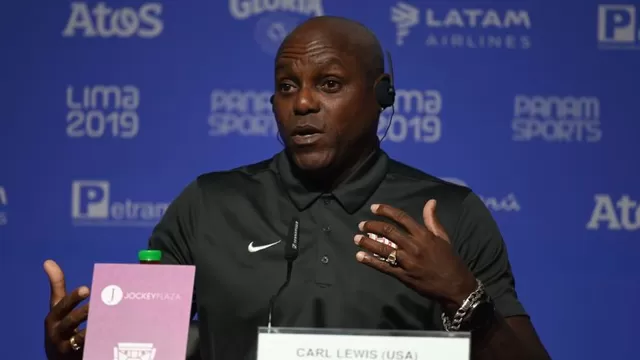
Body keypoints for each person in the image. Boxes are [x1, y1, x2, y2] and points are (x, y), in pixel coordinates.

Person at [44, 16, 551, 360]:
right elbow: (136, 347)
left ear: (381, 97)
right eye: (288, 86)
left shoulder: (450, 214)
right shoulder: (208, 203)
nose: (302, 103)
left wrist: (465, 297)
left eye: (328, 84)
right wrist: (76, 352)